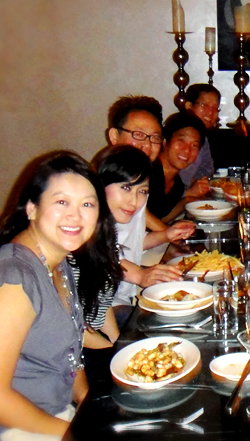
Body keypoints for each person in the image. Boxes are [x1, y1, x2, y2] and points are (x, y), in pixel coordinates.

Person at [0, 151, 120, 440]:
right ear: (32, 208)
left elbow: (70, 353)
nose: (75, 215)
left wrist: (87, 404)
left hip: (48, 413)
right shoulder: (12, 281)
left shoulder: (59, 262)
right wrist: (73, 433)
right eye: (61, 202)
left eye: (87, 204)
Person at [83, 145, 190, 349]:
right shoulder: (82, 226)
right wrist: (140, 275)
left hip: (110, 309)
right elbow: (103, 259)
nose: (133, 200)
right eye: (125, 187)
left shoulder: (114, 219)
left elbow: (128, 247)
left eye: (142, 191)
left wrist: (166, 235)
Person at [105, 95, 193, 237]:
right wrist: (171, 236)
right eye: (138, 134)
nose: (147, 145)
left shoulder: (146, 175)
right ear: (114, 136)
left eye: (154, 137)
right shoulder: (104, 174)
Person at [146, 112, 209, 222]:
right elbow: (140, 218)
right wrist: (165, 231)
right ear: (165, 141)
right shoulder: (148, 172)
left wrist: (186, 201)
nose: (187, 150)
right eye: (181, 141)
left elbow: (160, 219)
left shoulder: (177, 185)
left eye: (194, 145)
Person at [180, 84, 221, 188]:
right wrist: (194, 183)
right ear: (189, 106)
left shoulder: (203, 137)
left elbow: (208, 169)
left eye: (215, 108)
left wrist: (199, 182)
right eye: (204, 105)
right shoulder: (178, 133)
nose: (210, 112)